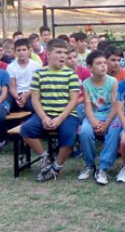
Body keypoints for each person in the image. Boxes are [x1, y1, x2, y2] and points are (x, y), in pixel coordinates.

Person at [20, 38, 80, 182]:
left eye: (65, 53)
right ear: (48, 53)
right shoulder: (39, 74)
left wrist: (59, 119)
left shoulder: (71, 74)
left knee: (69, 135)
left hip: (66, 115)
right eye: (58, 52)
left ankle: (56, 168)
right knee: (25, 129)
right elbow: (35, 100)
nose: (63, 56)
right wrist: (44, 117)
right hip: (45, 113)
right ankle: (45, 158)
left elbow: (73, 101)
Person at [79, 50, 120, 185]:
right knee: (85, 131)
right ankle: (89, 165)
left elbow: (115, 107)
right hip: (94, 116)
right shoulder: (86, 83)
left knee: (114, 130)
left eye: (104, 63)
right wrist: (94, 123)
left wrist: (106, 124)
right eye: (98, 63)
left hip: (111, 116)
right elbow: (87, 106)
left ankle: (103, 167)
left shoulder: (113, 81)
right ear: (89, 67)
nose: (103, 66)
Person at [7, 38, 42, 112]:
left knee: (32, 105)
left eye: (24, 50)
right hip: (17, 93)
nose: (21, 52)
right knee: (7, 106)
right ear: (15, 52)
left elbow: (37, 84)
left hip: (31, 92)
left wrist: (26, 96)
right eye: (18, 50)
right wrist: (17, 97)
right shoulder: (10, 67)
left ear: (29, 51)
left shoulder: (36, 65)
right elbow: (12, 86)